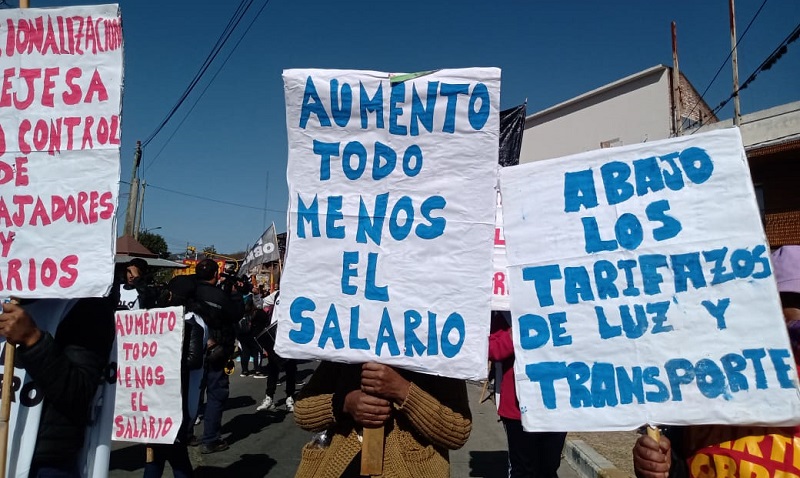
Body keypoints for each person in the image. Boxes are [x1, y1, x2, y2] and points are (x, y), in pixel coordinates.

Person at [633, 245, 800, 478]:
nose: (784, 314)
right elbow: (679, 459)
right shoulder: (708, 372)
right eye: (780, 300)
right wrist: (660, 465)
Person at [293, 361, 472, 477]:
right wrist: (344, 404)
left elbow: (457, 431)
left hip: (413, 468)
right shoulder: (345, 346)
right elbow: (302, 411)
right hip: (338, 466)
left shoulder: (439, 354)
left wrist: (402, 391)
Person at [0, 297, 115, 477]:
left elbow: (79, 393)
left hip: (44, 462)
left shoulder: (86, 306)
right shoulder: (6, 298)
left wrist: (32, 339)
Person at [144, 275, 209, 478]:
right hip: (161, 397)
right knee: (164, 453)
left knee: (168, 453)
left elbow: (193, 360)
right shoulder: (165, 319)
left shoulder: (192, 324)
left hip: (177, 401)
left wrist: (165, 358)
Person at [489, 310, 567, 478]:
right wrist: (513, 334)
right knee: (523, 469)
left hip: (556, 404)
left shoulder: (564, 309)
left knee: (549, 467)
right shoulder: (504, 315)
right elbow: (492, 350)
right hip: (518, 409)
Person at [193, 258, 237, 454]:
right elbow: (236, 314)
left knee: (191, 392)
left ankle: (186, 433)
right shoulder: (219, 296)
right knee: (216, 393)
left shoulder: (189, 292)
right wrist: (235, 295)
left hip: (190, 351)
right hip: (214, 352)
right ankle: (210, 439)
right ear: (215, 275)